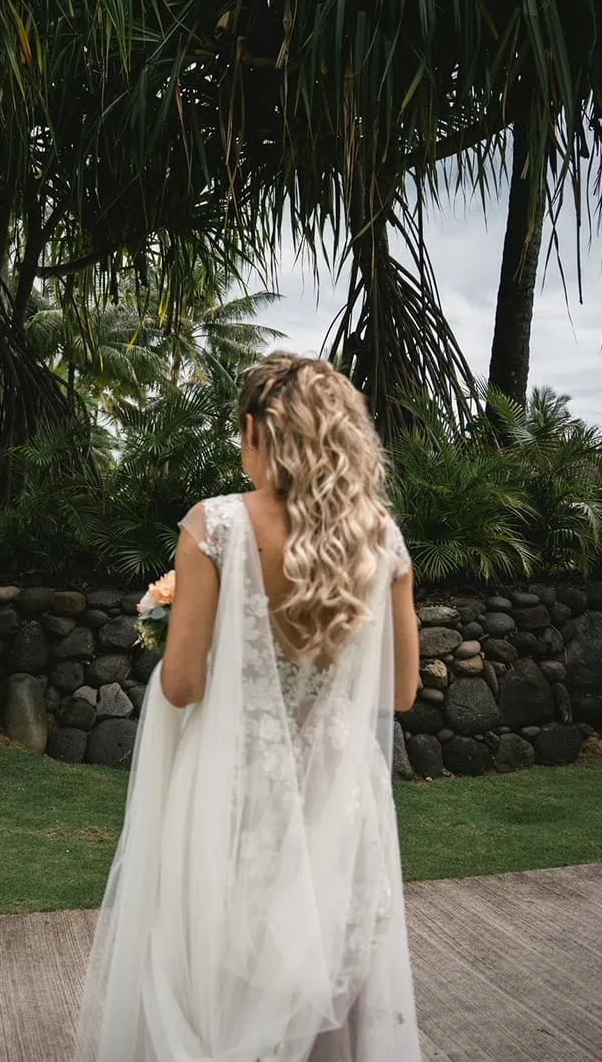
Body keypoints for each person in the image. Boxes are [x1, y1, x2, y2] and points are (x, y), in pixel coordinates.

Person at [74, 353, 423, 1061]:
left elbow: (181, 685)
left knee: (220, 981)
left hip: (234, 798)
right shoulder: (380, 538)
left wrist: (184, 635)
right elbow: (402, 691)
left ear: (253, 428)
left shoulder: (217, 524)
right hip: (337, 798)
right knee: (325, 988)